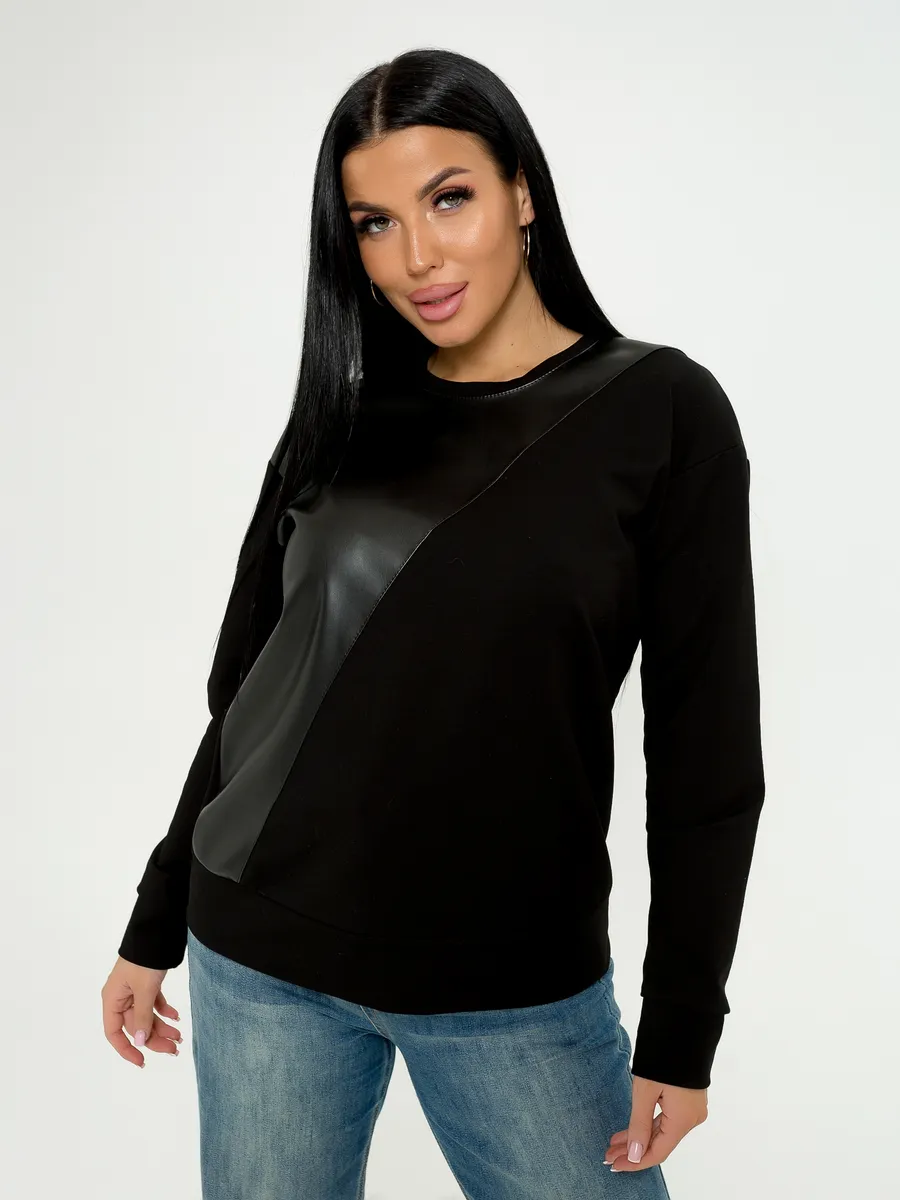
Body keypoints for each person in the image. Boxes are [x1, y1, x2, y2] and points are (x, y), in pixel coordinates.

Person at [100, 46, 765, 1200]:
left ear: (522, 190)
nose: (417, 257)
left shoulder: (662, 412)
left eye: (448, 198)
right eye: (374, 222)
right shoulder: (348, 410)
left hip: (512, 992)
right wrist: (153, 921)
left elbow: (707, 754)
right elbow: (253, 696)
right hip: (263, 963)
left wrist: (682, 1029)